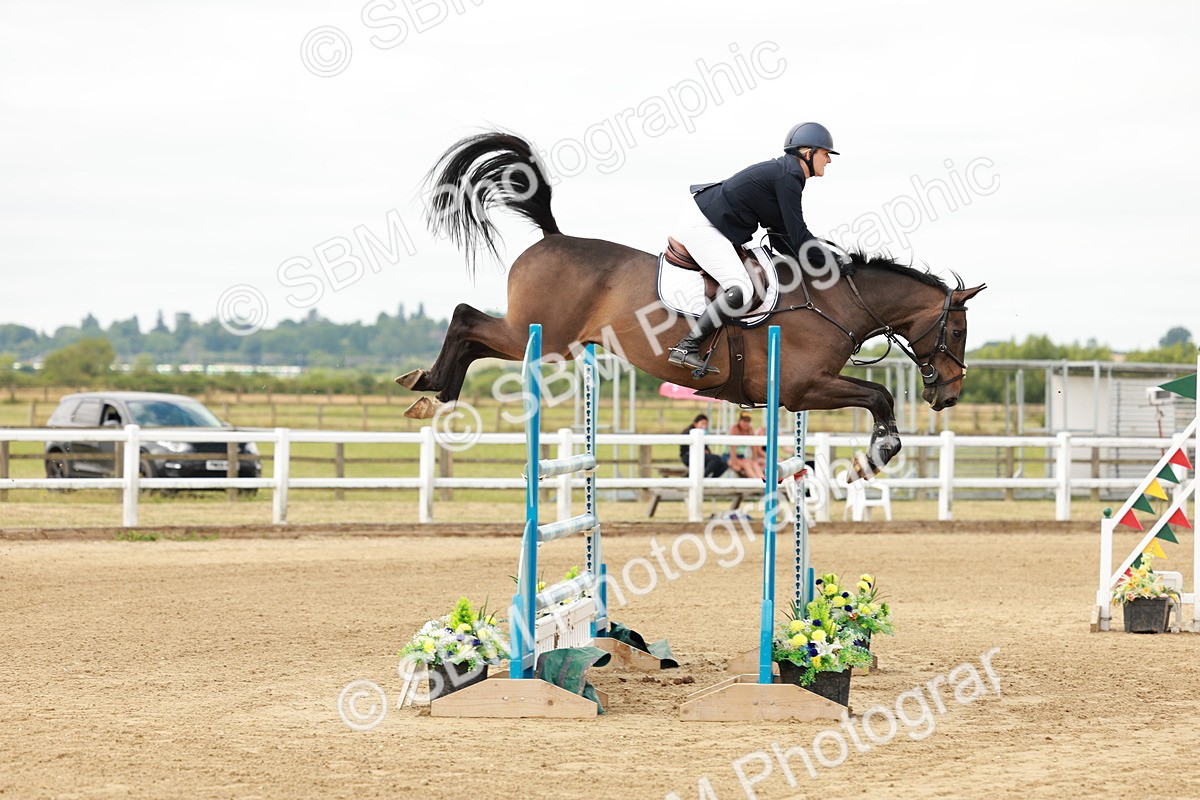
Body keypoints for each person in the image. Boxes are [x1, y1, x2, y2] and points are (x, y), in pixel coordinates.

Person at [667, 121, 838, 374]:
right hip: (703, 224)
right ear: (808, 152)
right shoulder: (789, 175)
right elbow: (799, 235)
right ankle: (686, 347)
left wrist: (818, 263)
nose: (829, 160)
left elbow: (782, 238)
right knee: (741, 288)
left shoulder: (786, 174)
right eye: (826, 153)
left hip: (712, 221)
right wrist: (831, 260)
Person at [679, 413, 728, 478]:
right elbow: (686, 448)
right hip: (688, 456)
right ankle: (702, 477)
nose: (704, 426)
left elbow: (706, 448)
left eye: (706, 424)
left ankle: (711, 479)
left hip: (701, 455)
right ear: (695, 423)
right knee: (715, 459)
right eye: (702, 423)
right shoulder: (688, 432)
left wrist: (706, 451)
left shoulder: (703, 433)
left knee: (723, 463)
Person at [726, 411, 765, 480]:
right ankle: (756, 481)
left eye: (748, 421)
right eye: (744, 421)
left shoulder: (749, 430)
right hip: (729, 456)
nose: (746, 423)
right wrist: (734, 464)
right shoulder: (735, 429)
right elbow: (732, 448)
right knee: (746, 464)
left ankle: (762, 480)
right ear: (739, 421)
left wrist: (754, 460)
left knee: (754, 464)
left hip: (741, 457)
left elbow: (754, 447)